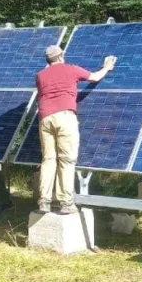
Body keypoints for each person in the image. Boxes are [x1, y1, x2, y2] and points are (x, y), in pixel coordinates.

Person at [35, 44, 116, 214]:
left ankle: (44, 201)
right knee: (67, 159)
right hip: (65, 117)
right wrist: (107, 67)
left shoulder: (40, 75)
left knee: (48, 159)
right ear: (61, 56)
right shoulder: (71, 69)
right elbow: (94, 77)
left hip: (45, 118)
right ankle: (66, 203)